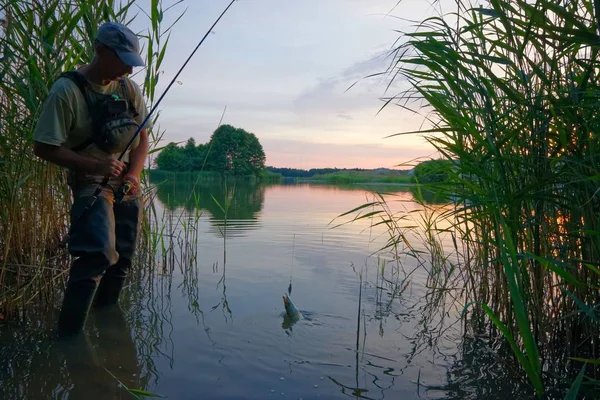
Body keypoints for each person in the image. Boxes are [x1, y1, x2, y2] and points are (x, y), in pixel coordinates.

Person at [32, 22, 151, 336]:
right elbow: (43, 147)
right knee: (97, 252)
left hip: (126, 181)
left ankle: (107, 320)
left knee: (123, 255)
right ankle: (69, 337)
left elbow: (142, 140)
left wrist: (134, 176)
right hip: (90, 181)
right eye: (123, 59)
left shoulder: (128, 89)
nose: (128, 68)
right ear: (100, 51)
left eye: (132, 61)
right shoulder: (67, 91)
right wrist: (92, 165)